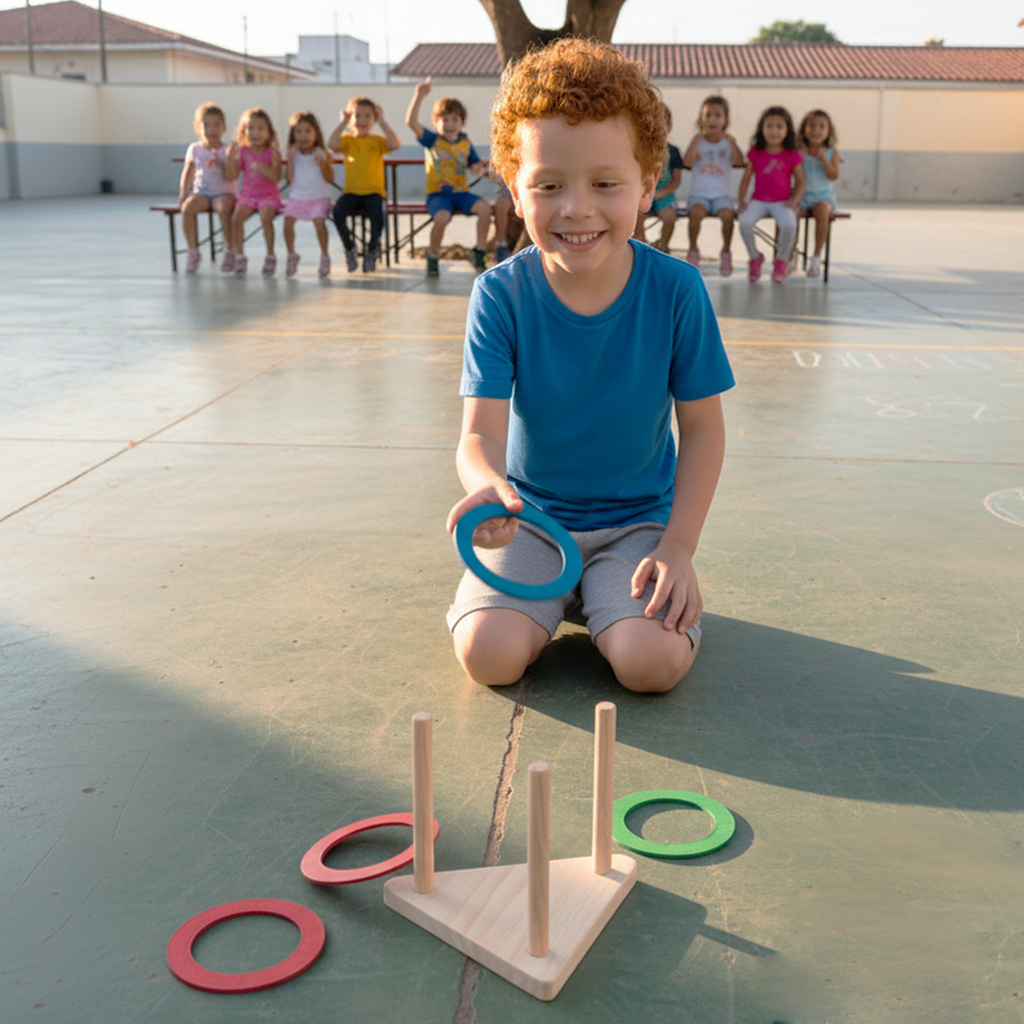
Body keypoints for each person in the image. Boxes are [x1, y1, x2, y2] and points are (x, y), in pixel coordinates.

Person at [444, 39, 734, 694]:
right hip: (533, 521)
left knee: (649, 666)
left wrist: (678, 546)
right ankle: (558, 595)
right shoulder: (500, 294)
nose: (576, 207)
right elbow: (479, 433)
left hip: (640, 525)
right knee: (488, 657)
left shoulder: (677, 292)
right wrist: (490, 487)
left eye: (605, 184)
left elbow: (704, 431)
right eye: (549, 185)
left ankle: (605, 595)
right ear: (516, 191)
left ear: (648, 186)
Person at [405, 78, 492, 276]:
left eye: (454, 119)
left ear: (462, 122)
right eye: (444, 120)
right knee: (442, 217)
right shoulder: (433, 140)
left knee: (485, 209)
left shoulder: (465, 143)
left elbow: (474, 166)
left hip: (461, 193)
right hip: (438, 194)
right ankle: (433, 255)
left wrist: (482, 169)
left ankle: (479, 251)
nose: (450, 124)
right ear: (436, 123)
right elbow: (411, 122)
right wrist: (419, 95)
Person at [327, 97, 401, 273]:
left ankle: (372, 249)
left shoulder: (377, 141)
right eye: (357, 115)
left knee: (378, 216)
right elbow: (332, 144)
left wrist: (382, 121)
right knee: (337, 213)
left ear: (374, 118)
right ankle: (350, 248)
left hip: (374, 192)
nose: (362, 120)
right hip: (352, 192)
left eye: (368, 116)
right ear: (350, 118)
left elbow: (395, 144)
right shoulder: (348, 140)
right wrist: (343, 122)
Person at [737, 106, 804, 283]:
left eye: (779, 127)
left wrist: (795, 200)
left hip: (782, 202)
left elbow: (801, 182)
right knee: (744, 222)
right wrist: (742, 201)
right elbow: (746, 179)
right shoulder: (756, 152)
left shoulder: (791, 154)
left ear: (787, 130)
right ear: (762, 129)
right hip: (758, 201)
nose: (774, 131)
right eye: (769, 126)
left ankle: (781, 261)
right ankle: (755, 257)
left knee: (789, 224)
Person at [682, 95, 746, 275]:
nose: (712, 120)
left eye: (718, 116)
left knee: (727, 216)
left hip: (721, 195)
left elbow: (739, 162)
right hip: (699, 194)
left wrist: (732, 143)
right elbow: (687, 163)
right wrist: (695, 141)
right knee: (696, 213)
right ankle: (693, 249)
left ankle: (726, 251)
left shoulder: (727, 143)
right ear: (701, 119)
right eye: (708, 115)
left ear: (726, 120)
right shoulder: (698, 142)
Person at [178, 102, 237, 274]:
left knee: (223, 208)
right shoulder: (195, 149)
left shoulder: (227, 149)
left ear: (224, 127)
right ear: (199, 128)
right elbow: (188, 172)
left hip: (224, 193)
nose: (212, 129)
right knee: (188, 208)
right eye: (207, 125)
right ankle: (193, 251)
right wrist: (183, 194)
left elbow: (232, 176)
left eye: (216, 125)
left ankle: (230, 249)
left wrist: (223, 162)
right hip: (202, 193)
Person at [226, 107, 283, 277]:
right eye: (250, 128)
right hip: (248, 196)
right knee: (236, 218)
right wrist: (231, 158)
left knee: (266, 217)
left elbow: (277, 177)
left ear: (269, 132)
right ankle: (240, 256)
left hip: (268, 197)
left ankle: (270, 255)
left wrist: (263, 168)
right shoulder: (244, 152)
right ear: (244, 131)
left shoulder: (273, 153)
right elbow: (232, 175)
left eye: (260, 128)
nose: (255, 133)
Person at [282, 111, 334, 278]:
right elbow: (289, 179)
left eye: (307, 131)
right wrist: (290, 160)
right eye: (298, 131)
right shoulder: (293, 154)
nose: (303, 136)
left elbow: (330, 178)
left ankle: (324, 255)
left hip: (319, 198)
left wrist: (322, 164)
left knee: (319, 221)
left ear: (315, 133)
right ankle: (291, 254)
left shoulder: (321, 153)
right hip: (298, 197)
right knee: (287, 221)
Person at [633, 104, 684, 253]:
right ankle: (641, 245)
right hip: (643, 192)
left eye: (663, 123)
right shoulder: (640, 151)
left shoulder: (673, 152)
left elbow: (677, 180)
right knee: (638, 215)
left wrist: (662, 193)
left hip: (664, 194)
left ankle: (663, 245)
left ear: (669, 125)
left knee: (670, 217)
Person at [797, 109, 841, 278]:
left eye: (822, 126)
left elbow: (833, 175)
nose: (816, 130)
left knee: (822, 212)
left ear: (829, 131)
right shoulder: (799, 151)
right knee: (789, 213)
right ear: (804, 129)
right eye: (812, 126)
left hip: (823, 197)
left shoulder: (831, 152)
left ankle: (816, 257)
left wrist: (823, 159)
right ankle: (789, 255)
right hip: (802, 195)